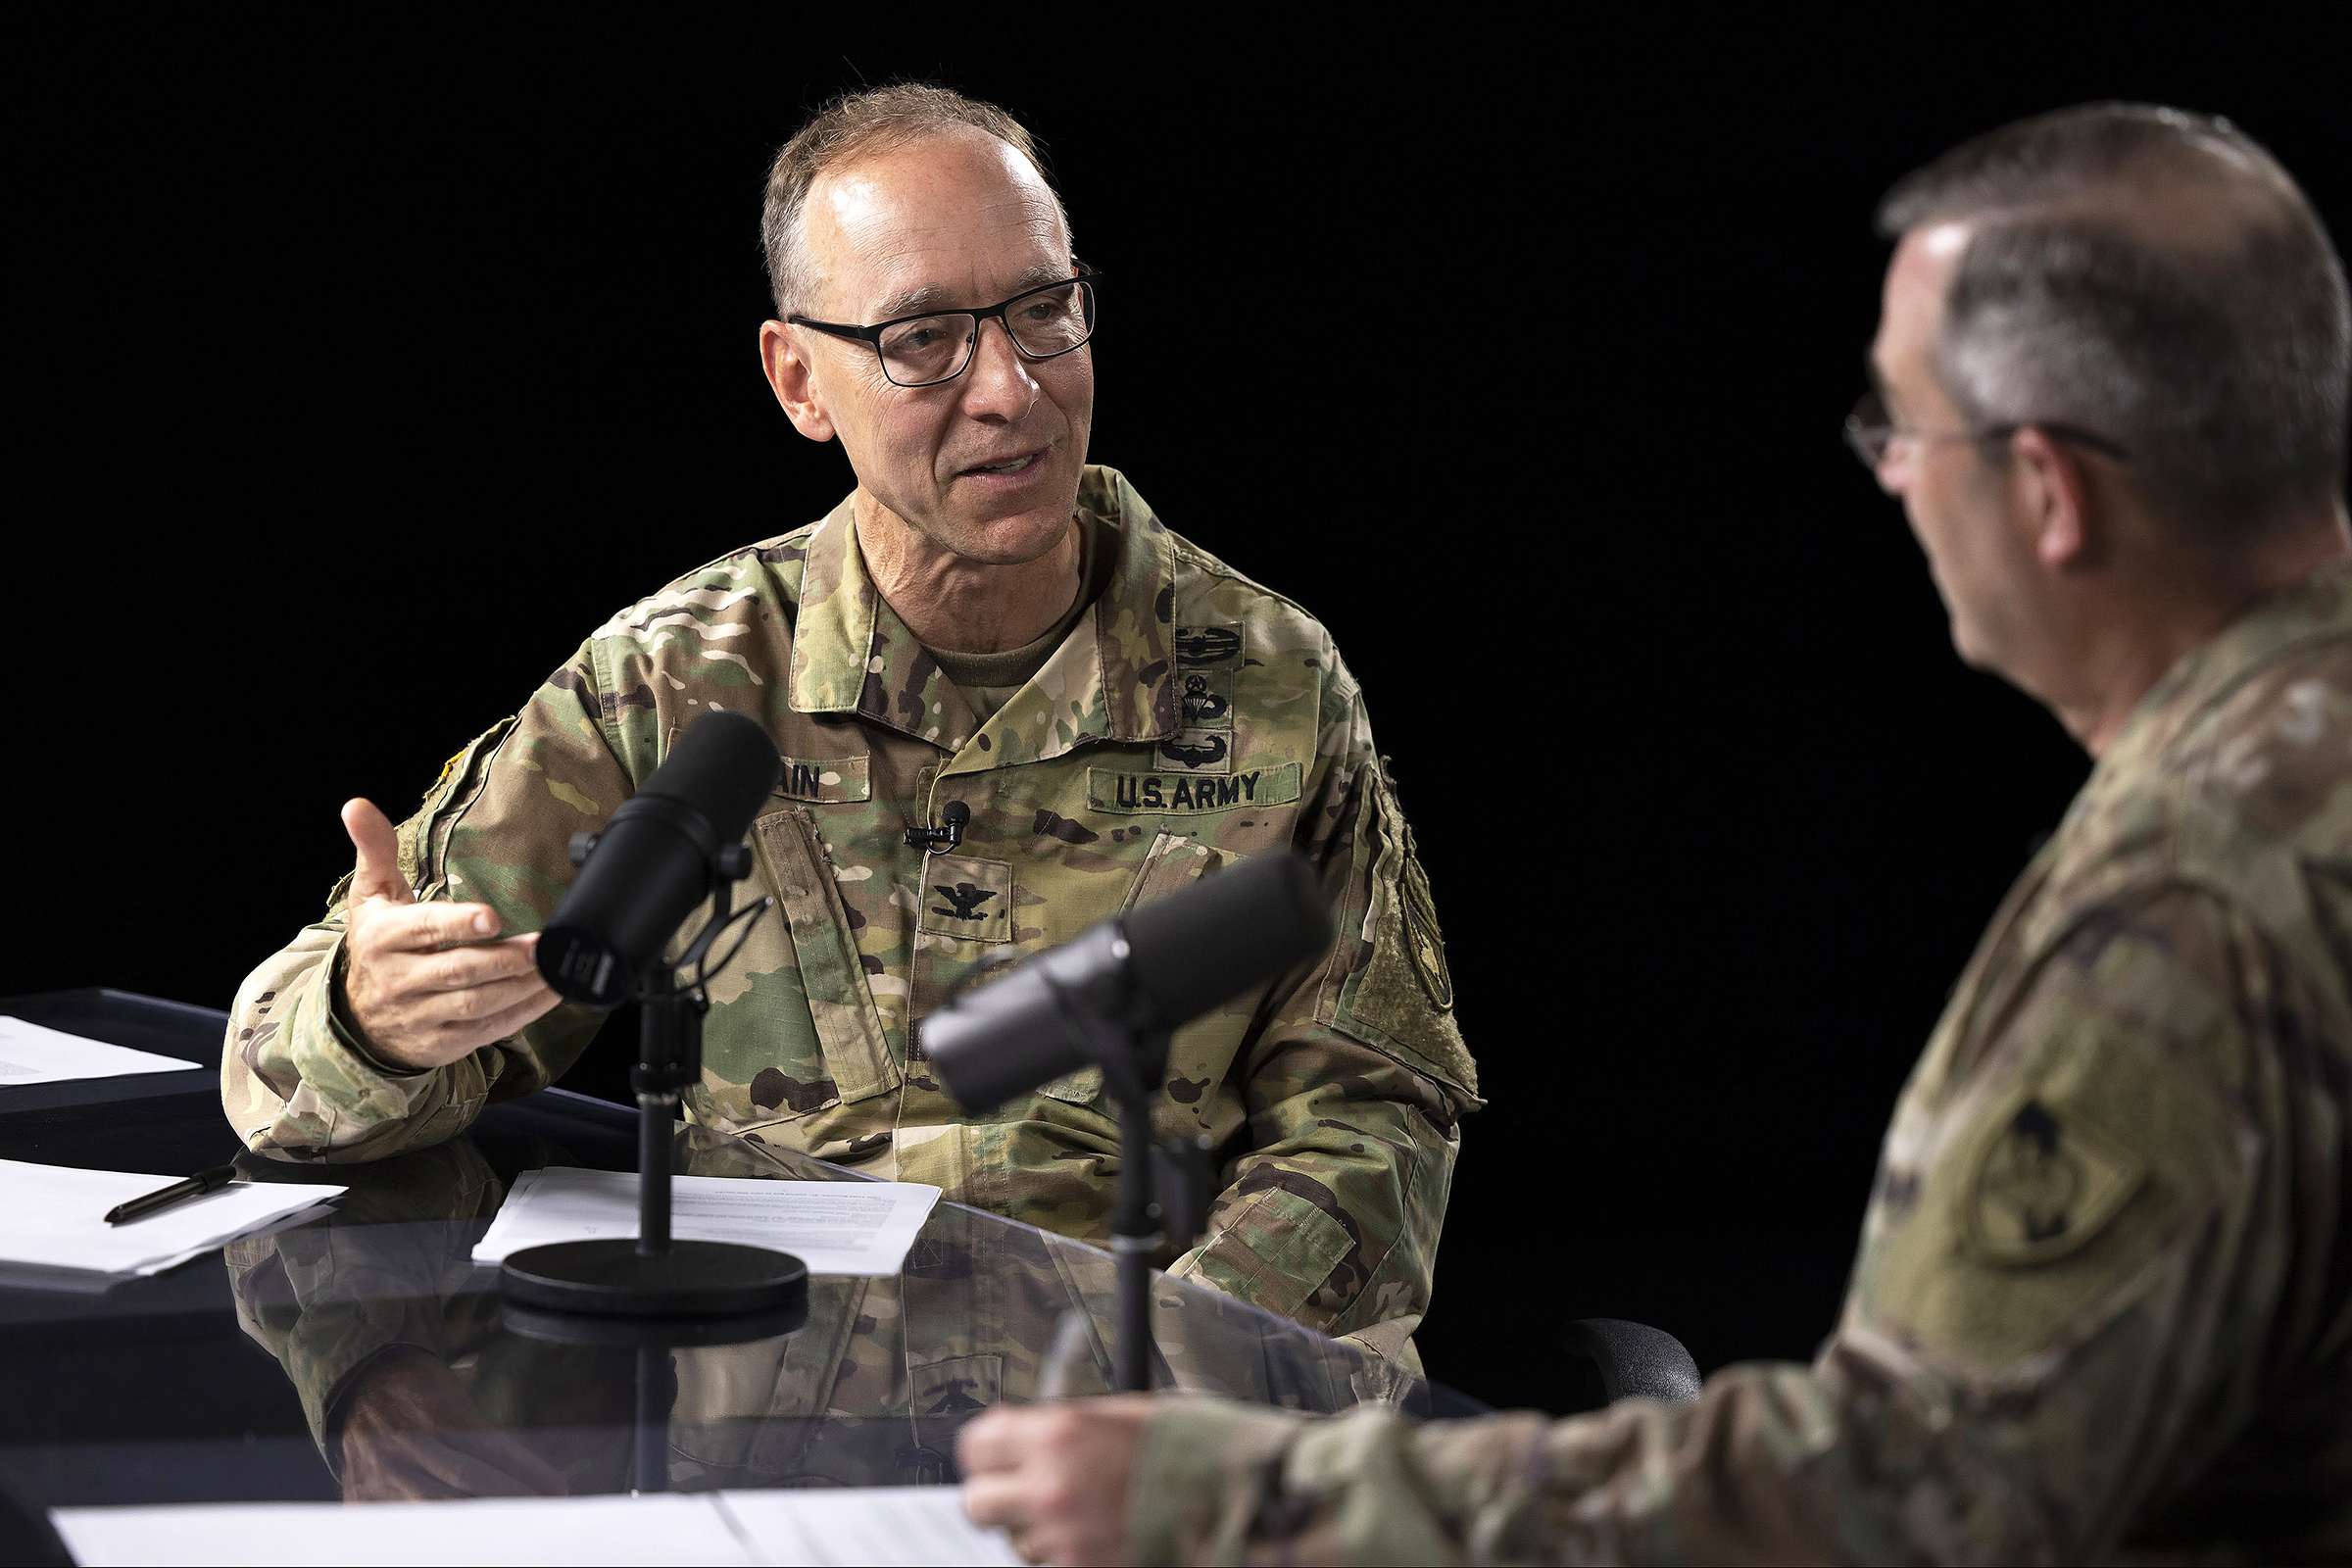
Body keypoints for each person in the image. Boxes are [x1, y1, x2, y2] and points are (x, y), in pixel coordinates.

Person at [958, 101, 2352, 1564]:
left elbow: (1899, 1499)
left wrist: (1232, 1498)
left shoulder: (2195, 908)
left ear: (2052, 492)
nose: (1887, 476)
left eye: (1901, 427)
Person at [220, 83, 1477, 1361]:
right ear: (800, 379)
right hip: (775, 1452)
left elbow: (1371, 1119)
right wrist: (371, 1020)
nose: (1010, 390)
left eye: (1045, 311)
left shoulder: (1270, 679)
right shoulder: (678, 684)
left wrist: (1161, 1381)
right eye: (924, 337)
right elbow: (280, 1081)